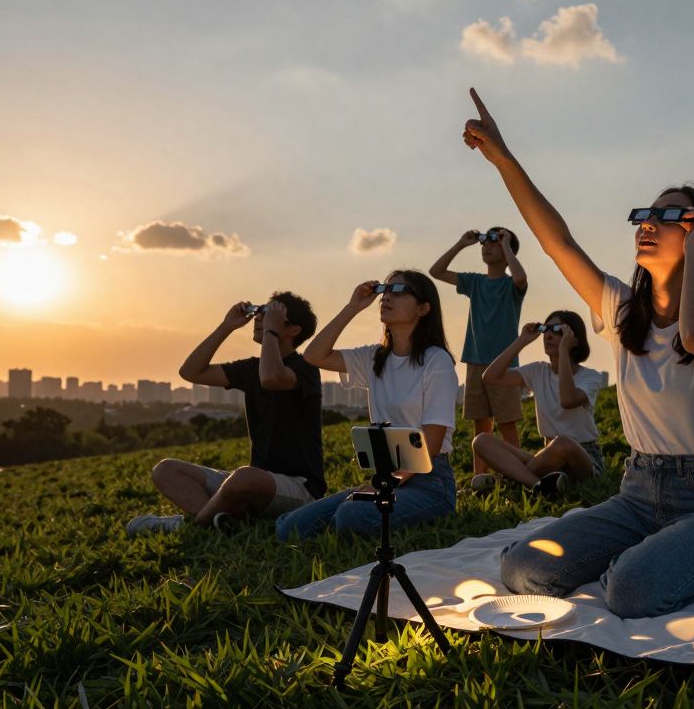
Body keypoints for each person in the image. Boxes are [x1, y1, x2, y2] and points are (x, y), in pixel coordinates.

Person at [463, 88, 694, 618]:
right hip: (638, 489)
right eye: (646, 212)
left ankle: (665, 558)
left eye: (672, 216)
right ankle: (643, 553)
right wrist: (503, 159)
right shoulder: (624, 310)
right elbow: (558, 241)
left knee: (631, 592)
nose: (648, 221)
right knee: (524, 568)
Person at [278, 270, 458, 541]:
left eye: (399, 290)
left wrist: (392, 482)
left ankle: (351, 515)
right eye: (385, 290)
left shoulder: (436, 361)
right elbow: (314, 356)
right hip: (388, 476)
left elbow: (431, 443)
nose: (386, 296)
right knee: (289, 528)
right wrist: (353, 307)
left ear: (423, 308)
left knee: (352, 516)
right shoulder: (375, 357)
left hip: (429, 482)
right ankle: (344, 515)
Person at [127, 293, 325, 534]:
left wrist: (270, 333)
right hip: (254, 481)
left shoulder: (305, 368)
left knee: (244, 477)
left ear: (293, 330)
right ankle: (219, 520)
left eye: (270, 314)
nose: (260, 319)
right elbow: (191, 372)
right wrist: (227, 326)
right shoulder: (251, 368)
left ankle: (194, 525)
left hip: (300, 489)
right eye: (260, 312)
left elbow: (272, 378)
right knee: (166, 470)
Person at [429, 227, 528, 482]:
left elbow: (520, 278)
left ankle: (516, 475)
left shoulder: (510, 285)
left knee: (507, 424)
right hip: (475, 361)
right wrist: (461, 244)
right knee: (480, 425)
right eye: (485, 241)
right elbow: (436, 272)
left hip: (504, 366)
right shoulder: (475, 282)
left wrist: (507, 245)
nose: (487, 245)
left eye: (495, 241)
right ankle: (480, 478)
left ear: (507, 250)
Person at [477, 310, 606, 496]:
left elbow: (567, 400)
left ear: (574, 340)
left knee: (563, 443)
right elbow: (490, 377)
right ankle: (538, 485)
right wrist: (521, 341)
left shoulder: (590, 377)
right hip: (547, 457)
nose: (549, 335)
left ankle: (510, 480)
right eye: (546, 330)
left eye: (558, 330)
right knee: (481, 441)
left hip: (583, 457)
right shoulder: (538, 371)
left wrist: (563, 351)